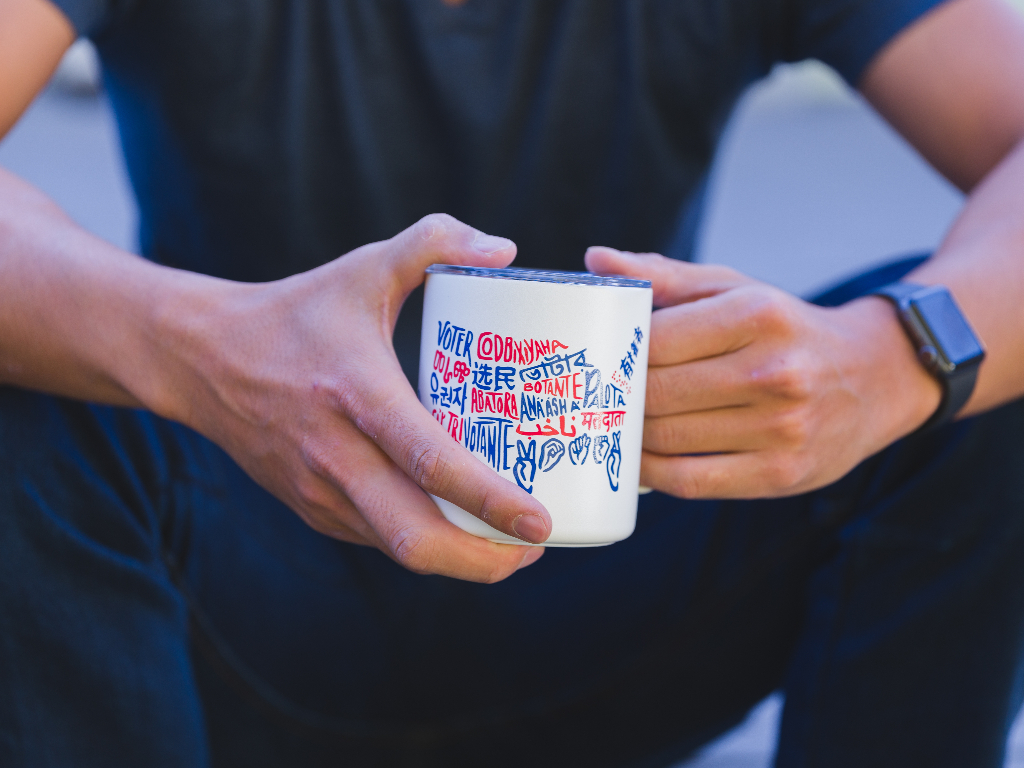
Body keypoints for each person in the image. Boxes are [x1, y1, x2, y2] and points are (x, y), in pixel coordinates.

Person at [1, 0, 1024, 765]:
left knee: (967, 368)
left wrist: (892, 361)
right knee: (30, 368)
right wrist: (200, 346)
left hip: (619, 607)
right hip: (210, 610)